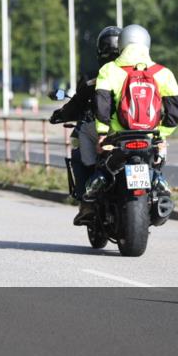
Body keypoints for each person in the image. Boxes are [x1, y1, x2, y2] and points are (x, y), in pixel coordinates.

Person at [85, 23, 178, 199]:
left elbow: (102, 104)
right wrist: (161, 133)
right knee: (157, 161)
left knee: (104, 164)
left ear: (121, 44)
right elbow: (175, 110)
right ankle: (158, 179)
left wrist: (102, 133)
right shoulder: (163, 73)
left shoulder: (110, 70)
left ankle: (100, 180)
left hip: (118, 134)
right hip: (150, 135)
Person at [50, 26, 121, 225]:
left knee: (78, 150)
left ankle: (87, 202)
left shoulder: (95, 79)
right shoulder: (136, 73)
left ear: (100, 50)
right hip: (135, 130)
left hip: (102, 130)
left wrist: (60, 115)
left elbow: (77, 104)